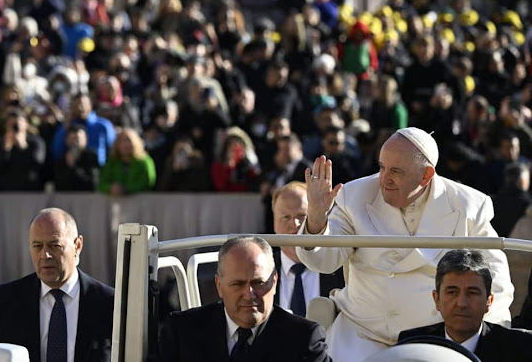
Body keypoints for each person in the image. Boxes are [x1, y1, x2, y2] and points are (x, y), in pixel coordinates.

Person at [296, 127, 514, 362]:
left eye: (396, 171)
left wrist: (484, 340)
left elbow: (496, 282)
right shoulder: (354, 195)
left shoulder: (468, 206)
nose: (384, 178)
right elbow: (323, 262)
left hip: (437, 342)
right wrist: (317, 218)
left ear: (426, 175)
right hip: (361, 334)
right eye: (381, 167)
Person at [157, 236, 332, 362]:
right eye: (237, 284)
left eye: (258, 283)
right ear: (219, 285)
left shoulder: (303, 339)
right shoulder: (182, 331)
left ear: (274, 281)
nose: (249, 295)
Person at [0, 208, 115, 362]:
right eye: (37, 246)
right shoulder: (6, 300)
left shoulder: (109, 303)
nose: (45, 255)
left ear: (77, 246)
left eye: (55, 246)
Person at [398, 250, 532, 362]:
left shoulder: (521, 347)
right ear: (437, 299)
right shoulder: (411, 346)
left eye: (472, 293)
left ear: (489, 301)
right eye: (452, 292)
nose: (462, 303)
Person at [272, 182, 345, 316]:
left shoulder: (341, 269)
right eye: (286, 217)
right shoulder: (262, 270)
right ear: (274, 222)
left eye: (302, 215)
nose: (295, 223)